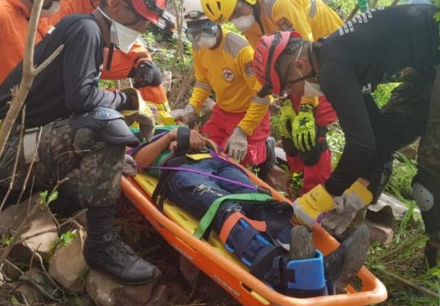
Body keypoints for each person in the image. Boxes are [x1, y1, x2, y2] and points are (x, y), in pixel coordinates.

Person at [252, 4, 440, 268]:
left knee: (434, 181)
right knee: (388, 134)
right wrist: (360, 188)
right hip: (437, 60)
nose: (295, 94)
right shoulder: (334, 54)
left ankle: (437, 262)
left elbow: (360, 146)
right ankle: (356, 216)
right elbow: (375, 135)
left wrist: (323, 195)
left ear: (298, 65)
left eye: (289, 87)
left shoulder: (334, 69)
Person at [0, 0, 177, 285]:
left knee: (107, 129)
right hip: (10, 152)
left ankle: (64, 204)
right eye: (142, 19)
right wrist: (127, 100)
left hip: (25, 145)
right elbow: (83, 99)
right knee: (105, 125)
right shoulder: (87, 30)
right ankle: (101, 244)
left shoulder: (85, 30)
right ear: (115, 4)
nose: (145, 27)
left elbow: (73, 103)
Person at [131, 125, 371, 296]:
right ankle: (285, 272)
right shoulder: (149, 139)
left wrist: (198, 139)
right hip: (180, 170)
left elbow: (216, 149)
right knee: (226, 207)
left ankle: (315, 268)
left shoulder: (187, 129)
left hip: (216, 163)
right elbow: (140, 161)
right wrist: (170, 135)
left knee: (263, 202)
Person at [200, 0, 341, 194]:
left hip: (331, 67)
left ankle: (317, 200)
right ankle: (297, 189)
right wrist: (284, 101)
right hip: (298, 73)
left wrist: (305, 107)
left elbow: (308, 59)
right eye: (231, 18)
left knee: (312, 135)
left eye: (238, 11)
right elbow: (267, 68)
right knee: (290, 134)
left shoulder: (280, 5)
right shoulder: (253, 23)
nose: (237, 20)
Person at [49, 0, 174, 125]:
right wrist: (125, 99)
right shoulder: (71, 1)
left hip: (98, 53)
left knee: (147, 73)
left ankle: (164, 120)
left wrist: (143, 60)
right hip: (66, 62)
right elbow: (49, 36)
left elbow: (129, 30)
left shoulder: (115, 4)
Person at [171, 0, 285, 188]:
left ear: (218, 21)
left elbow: (262, 97)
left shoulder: (241, 50)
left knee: (239, 158)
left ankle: (266, 149)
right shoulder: (198, 47)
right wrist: (191, 109)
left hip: (250, 113)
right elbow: (203, 83)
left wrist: (242, 132)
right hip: (222, 111)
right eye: (194, 32)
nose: (200, 37)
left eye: (205, 28)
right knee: (208, 149)